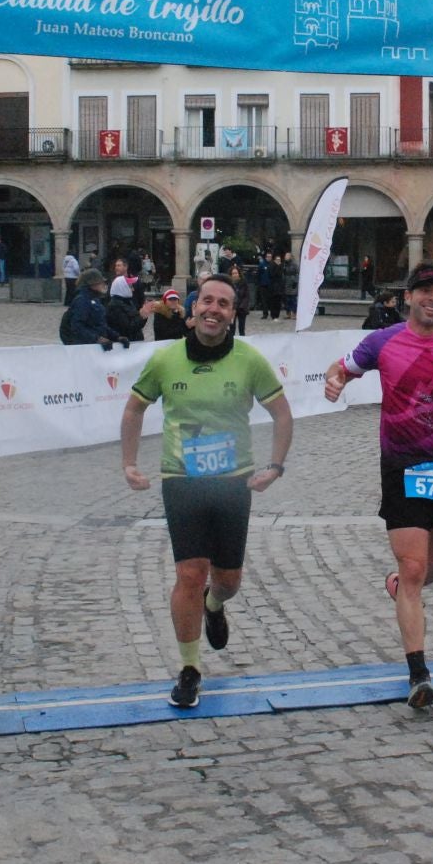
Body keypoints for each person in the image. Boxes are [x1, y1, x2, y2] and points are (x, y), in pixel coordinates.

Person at [322, 262, 433, 709]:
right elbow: (342, 368)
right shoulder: (382, 342)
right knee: (416, 569)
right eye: (424, 291)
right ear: (409, 297)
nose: (432, 298)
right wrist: (333, 380)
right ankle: (418, 673)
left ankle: (399, 584)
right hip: (402, 465)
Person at [122, 275, 294, 708]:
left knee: (227, 580)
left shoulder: (249, 359)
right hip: (181, 480)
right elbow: (134, 408)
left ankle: (215, 606)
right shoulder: (166, 360)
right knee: (188, 574)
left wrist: (275, 466)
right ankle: (189, 668)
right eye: (207, 301)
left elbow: (282, 414)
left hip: (233, 482)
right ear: (194, 308)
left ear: (233, 314)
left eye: (224, 303)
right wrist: (128, 463)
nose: (213, 309)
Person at [60, 268, 120, 349]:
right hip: (84, 348)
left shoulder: (95, 299)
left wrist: (116, 337)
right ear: (92, 284)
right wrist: (96, 338)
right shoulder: (82, 300)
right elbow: (77, 326)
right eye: (100, 282)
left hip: (93, 346)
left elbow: (100, 325)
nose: (103, 285)